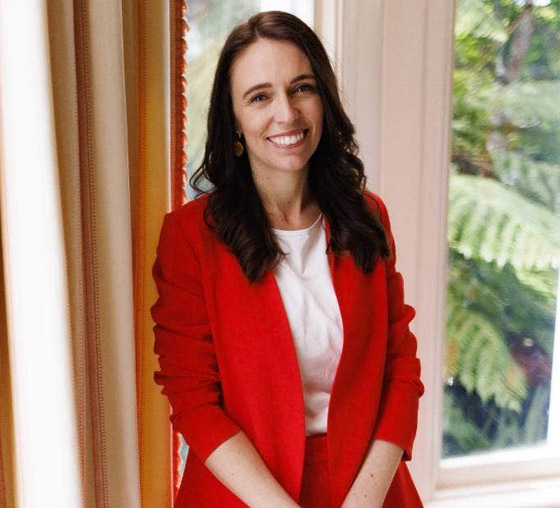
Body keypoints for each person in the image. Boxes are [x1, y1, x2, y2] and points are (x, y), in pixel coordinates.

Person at [151, 10, 424, 508]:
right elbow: (193, 400)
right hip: (246, 495)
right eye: (260, 97)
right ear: (233, 121)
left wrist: (363, 502)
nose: (287, 113)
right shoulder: (190, 237)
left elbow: (400, 369)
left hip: (369, 490)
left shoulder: (367, 216)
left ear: (323, 99)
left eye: (302, 88)